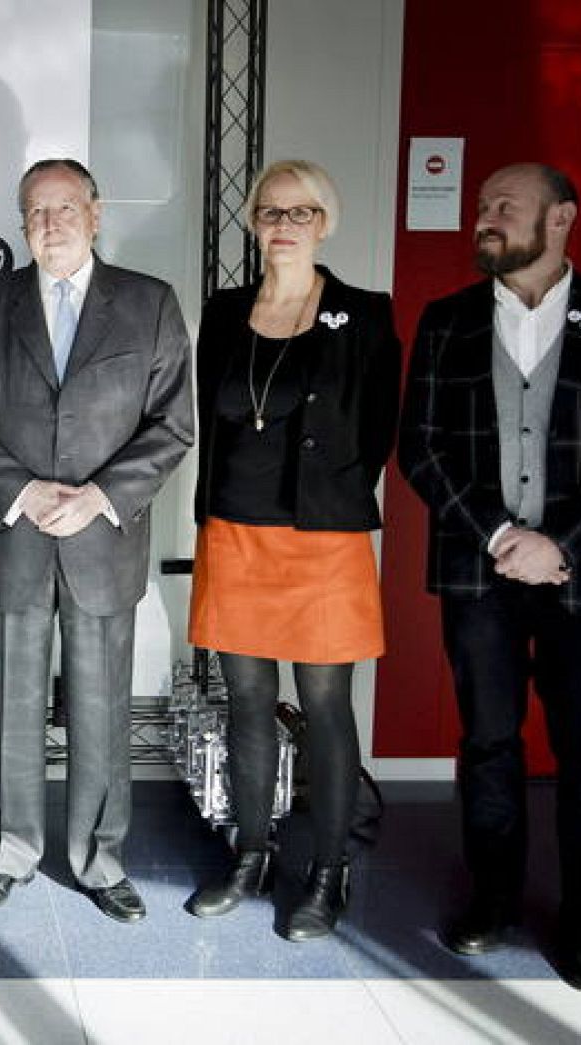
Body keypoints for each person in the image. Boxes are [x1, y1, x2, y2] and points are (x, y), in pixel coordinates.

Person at [398, 162, 581, 992]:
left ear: (560, 219)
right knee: (487, 745)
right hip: (480, 572)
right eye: (482, 206)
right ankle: (494, 900)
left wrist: (563, 543)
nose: (484, 218)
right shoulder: (446, 322)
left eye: (504, 207)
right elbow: (422, 449)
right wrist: (503, 531)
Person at [0, 158, 193, 922]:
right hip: (12, 537)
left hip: (102, 542)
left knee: (102, 707)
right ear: (21, 224)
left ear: (97, 211)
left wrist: (100, 497)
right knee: (10, 705)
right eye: (35, 212)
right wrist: (20, 490)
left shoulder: (149, 304)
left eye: (65, 207)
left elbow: (172, 423)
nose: (51, 223)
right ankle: (7, 852)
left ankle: (99, 858)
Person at [183, 160, 400, 940]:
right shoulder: (225, 310)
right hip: (235, 531)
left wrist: (331, 499)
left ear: (325, 222)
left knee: (325, 706)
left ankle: (329, 870)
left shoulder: (364, 314)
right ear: (253, 220)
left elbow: (378, 430)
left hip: (323, 542)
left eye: (302, 211)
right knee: (245, 701)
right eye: (272, 211)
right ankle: (252, 852)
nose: (284, 224)